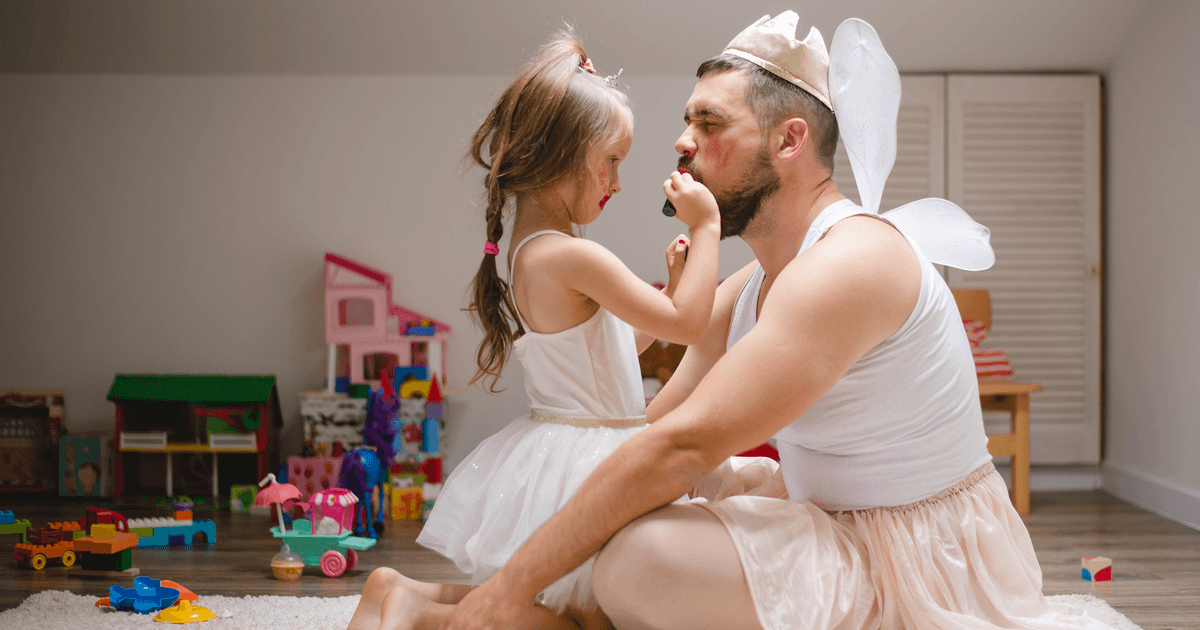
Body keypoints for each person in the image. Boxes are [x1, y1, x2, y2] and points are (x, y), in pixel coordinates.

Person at [435, 13, 1121, 630]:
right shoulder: (757, 284)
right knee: (633, 520)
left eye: (709, 124)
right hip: (839, 525)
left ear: (790, 140)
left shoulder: (851, 262)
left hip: (924, 560)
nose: (681, 143)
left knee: (637, 560)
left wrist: (513, 585)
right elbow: (652, 432)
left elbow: (683, 446)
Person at [346, 27, 721, 630]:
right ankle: (421, 615)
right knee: (589, 618)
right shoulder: (573, 256)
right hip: (592, 459)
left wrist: (674, 287)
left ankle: (396, 589)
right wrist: (705, 228)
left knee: (553, 604)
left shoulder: (533, 250)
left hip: (559, 447)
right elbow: (688, 325)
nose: (618, 184)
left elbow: (616, 350)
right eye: (612, 163)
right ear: (566, 157)